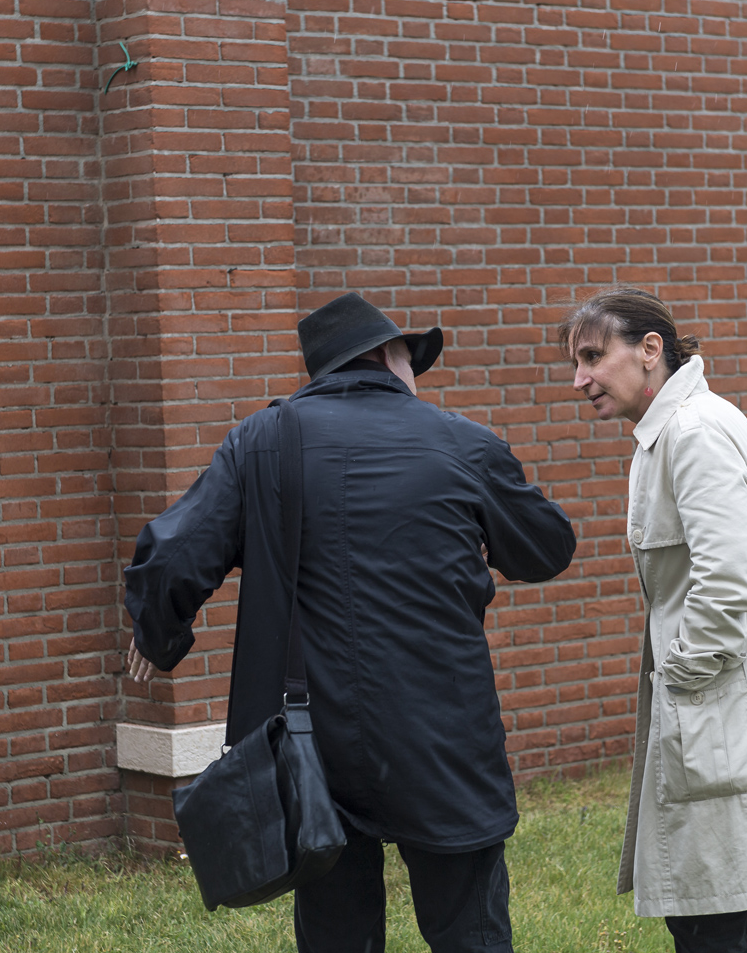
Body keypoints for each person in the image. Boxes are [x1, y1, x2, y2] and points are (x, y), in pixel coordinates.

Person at [124, 292, 577, 953]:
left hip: (314, 742)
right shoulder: (463, 442)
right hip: (443, 734)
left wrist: (156, 635)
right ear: (393, 357)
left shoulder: (260, 441)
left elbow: (174, 556)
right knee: (470, 933)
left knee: (337, 935)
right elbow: (546, 548)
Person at [560, 288, 747, 953]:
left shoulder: (694, 432)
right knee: (722, 914)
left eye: (591, 356)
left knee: (713, 923)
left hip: (725, 719)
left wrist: (679, 680)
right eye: (575, 361)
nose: (579, 378)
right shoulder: (676, 428)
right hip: (726, 718)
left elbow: (725, 587)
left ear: (649, 350)